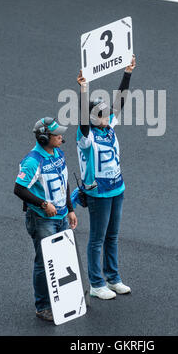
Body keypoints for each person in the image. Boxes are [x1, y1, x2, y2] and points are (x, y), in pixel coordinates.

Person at [76, 55, 136, 299]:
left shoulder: (109, 127)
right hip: (98, 193)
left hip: (116, 189)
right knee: (97, 239)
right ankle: (96, 283)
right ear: (91, 117)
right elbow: (82, 120)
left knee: (112, 236)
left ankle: (113, 278)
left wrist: (128, 73)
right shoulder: (86, 138)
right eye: (100, 113)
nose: (106, 115)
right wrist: (83, 89)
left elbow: (120, 102)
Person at [14, 117, 77, 322]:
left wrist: (70, 209)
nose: (61, 136)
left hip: (61, 216)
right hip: (43, 220)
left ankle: (66, 299)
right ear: (43, 137)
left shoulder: (58, 153)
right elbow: (19, 189)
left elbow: (64, 180)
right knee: (44, 262)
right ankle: (42, 306)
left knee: (64, 259)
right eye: (56, 134)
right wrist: (43, 204)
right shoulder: (32, 161)